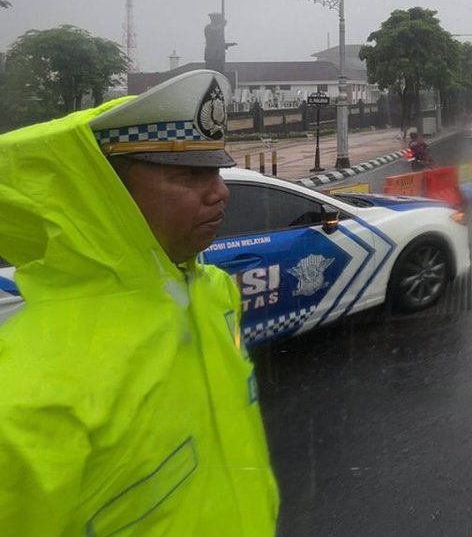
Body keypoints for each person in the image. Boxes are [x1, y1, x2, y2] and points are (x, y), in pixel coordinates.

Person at [0, 70, 278, 535]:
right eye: (189, 176)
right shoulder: (29, 393)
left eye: (216, 170)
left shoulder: (211, 290)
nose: (221, 191)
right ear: (108, 197)